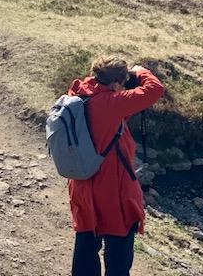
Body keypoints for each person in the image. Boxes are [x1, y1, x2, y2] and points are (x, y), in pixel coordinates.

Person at [67, 56, 164, 276]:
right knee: (118, 259)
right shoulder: (111, 104)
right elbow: (155, 89)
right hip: (112, 191)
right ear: (116, 84)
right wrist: (140, 72)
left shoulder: (79, 94)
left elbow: (109, 118)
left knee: (85, 248)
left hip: (82, 187)